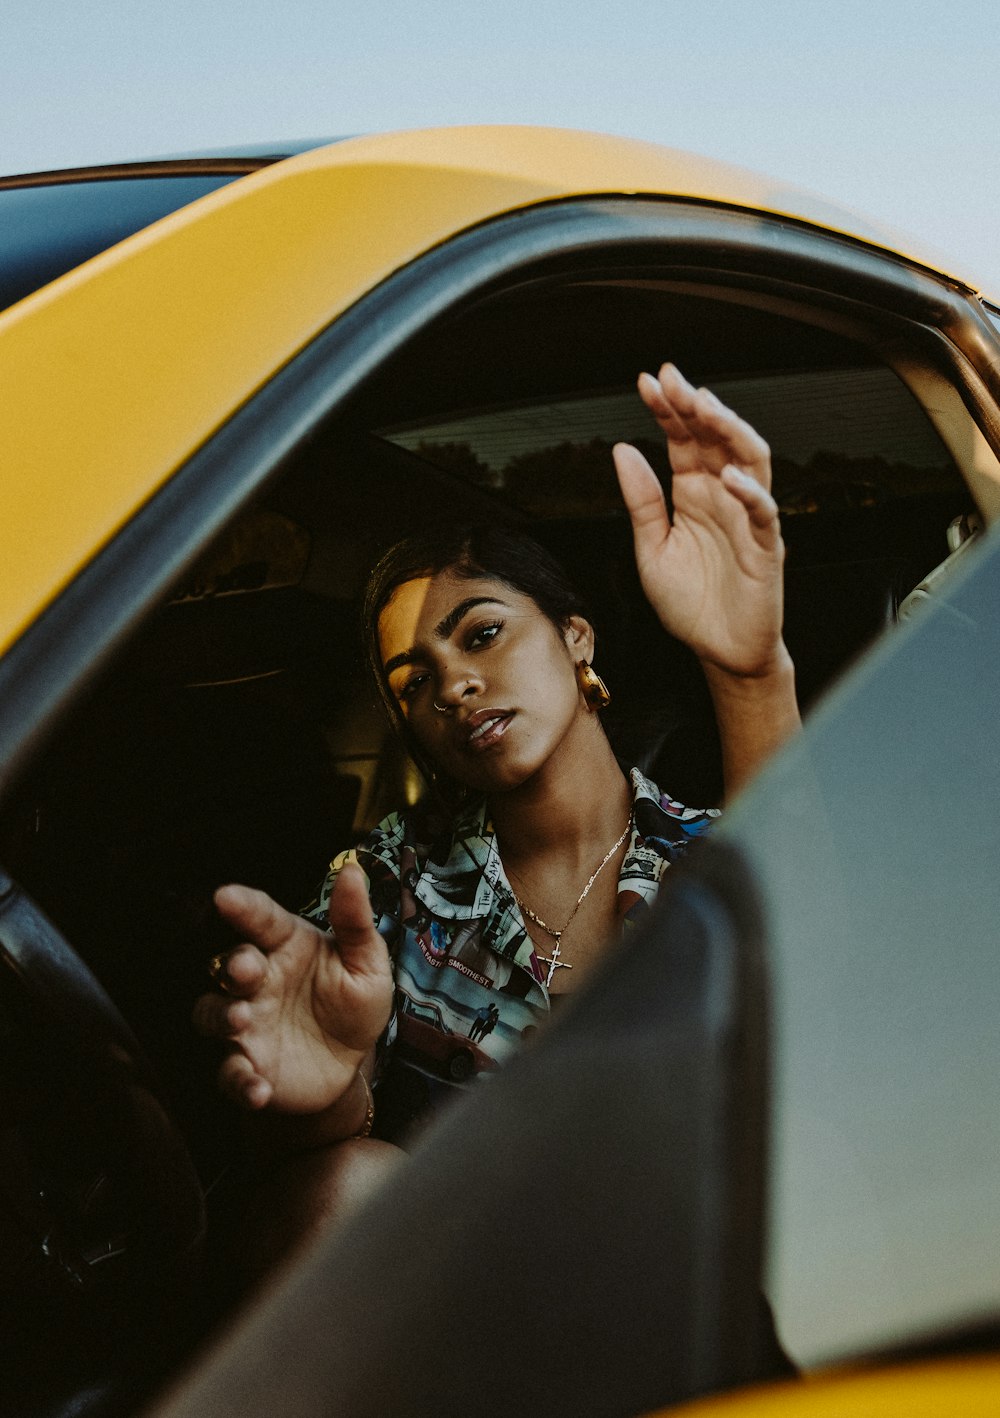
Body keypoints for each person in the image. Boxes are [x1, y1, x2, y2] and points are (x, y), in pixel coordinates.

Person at [193, 363, 800, 1277]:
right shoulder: (385, 884)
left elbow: (810, 953)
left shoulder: (706, 855)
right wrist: (325, 1101)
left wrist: (750, 672)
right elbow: (321, 1185)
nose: (456, 686)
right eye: (416, 683)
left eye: (480, 634)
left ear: (576, 638)